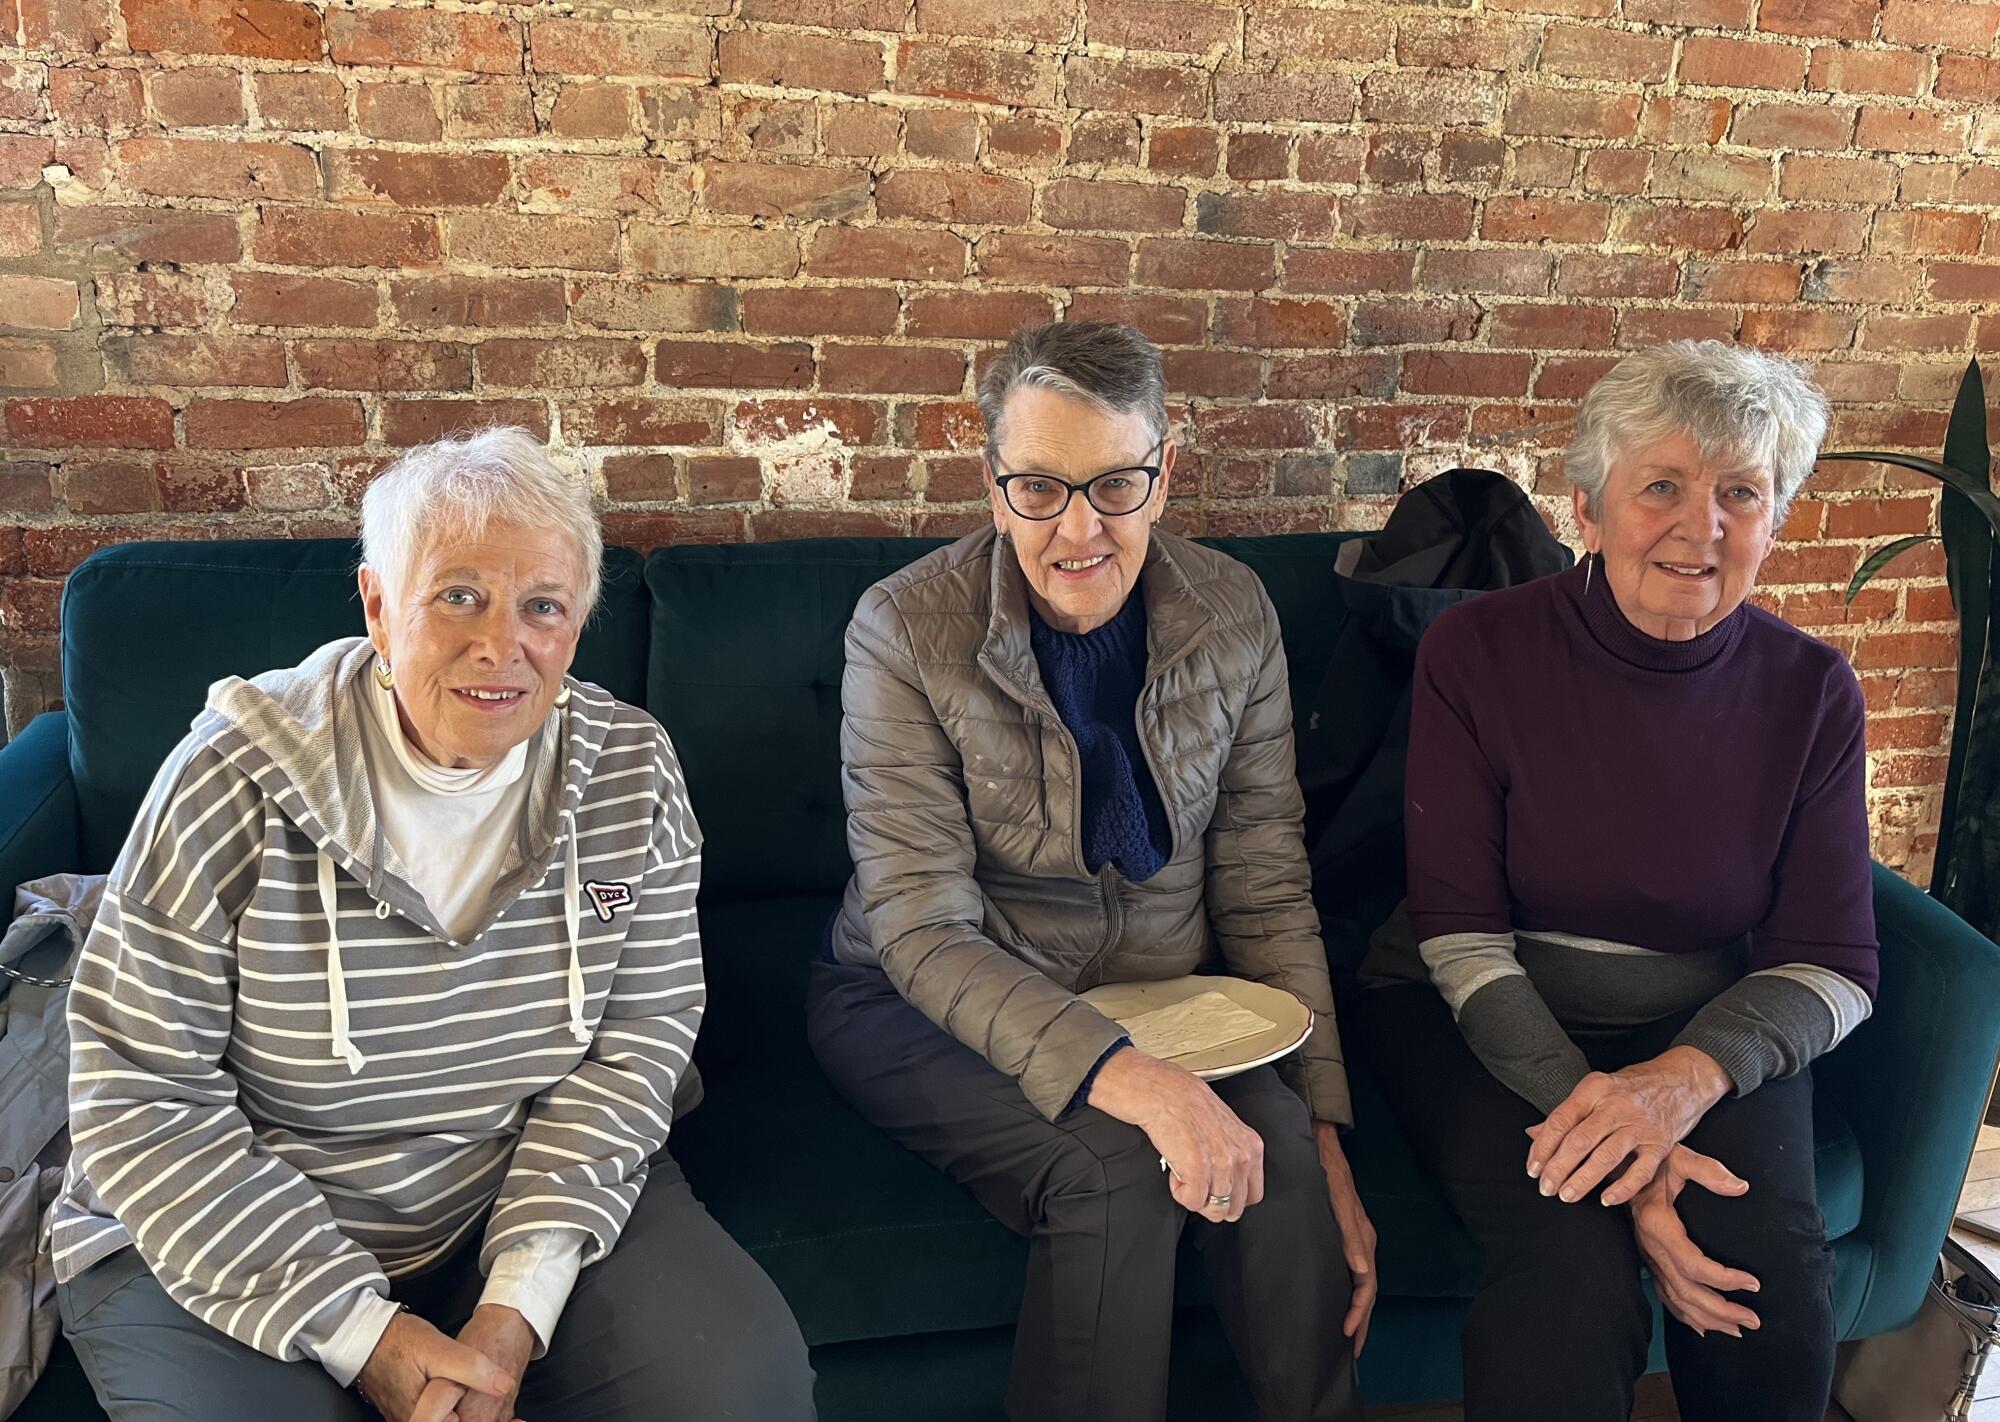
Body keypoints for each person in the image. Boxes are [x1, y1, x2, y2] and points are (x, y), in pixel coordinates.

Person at [51, 428, 815, 1422]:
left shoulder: (629, 772)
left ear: (576, 628)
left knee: (738, 1390)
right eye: (459, 595)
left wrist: (513, 1311)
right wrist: (367, 1335)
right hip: (223, 1226)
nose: (501, 645)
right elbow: (140, 1095)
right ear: (377, 605)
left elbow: (636, 1052)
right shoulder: (229, 779)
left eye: (542, 608)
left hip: (502, 1199)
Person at [807, 320, 1374, 1422]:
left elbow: (1262, 882)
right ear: (991, 484)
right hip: (917, 998)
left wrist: (1321, 1126)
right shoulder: (900, 630)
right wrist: (1137, 1081)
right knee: (1114, 1174)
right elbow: (920, 928)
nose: (1079, 529)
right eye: (1039, 489)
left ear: (1165, 475)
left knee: (1289, 1182)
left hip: (1166, 994)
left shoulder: (1235, 613)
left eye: (1115, 485)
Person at [1354, 340, 1877, 1421]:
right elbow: (1456, 931)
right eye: (1660, 487)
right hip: (1471, 1004)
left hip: (1698, 1019)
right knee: (1569, 1272)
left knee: (1760, 1267)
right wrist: (1637, 1173)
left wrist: (1677, 1085)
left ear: (1773, 519)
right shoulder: (1475, 652)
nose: (1704, 526)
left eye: (1741, 491)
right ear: (1585, 510)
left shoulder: (1812, 689)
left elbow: (1831, 962)